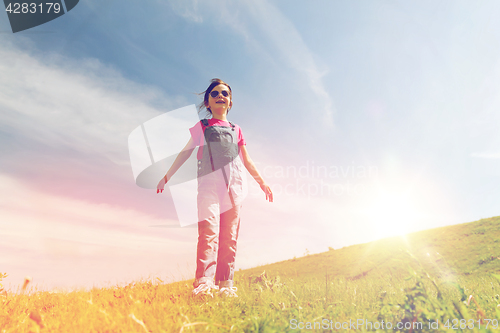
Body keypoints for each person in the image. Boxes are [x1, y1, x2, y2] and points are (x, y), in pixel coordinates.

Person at [157, 79, 273, 297]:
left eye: (225, 94)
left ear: (230, 102)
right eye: (215, 93)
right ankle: (204, 283)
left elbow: (247, 160)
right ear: (207, 102)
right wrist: (167, 175)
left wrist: (262, 182)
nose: (221, 96)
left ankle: (225, 285)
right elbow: (185, 152)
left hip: (234, 186)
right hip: (209, 185)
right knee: (209, 231)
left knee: (230, 236)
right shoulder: (203, 126)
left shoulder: (236, 129)